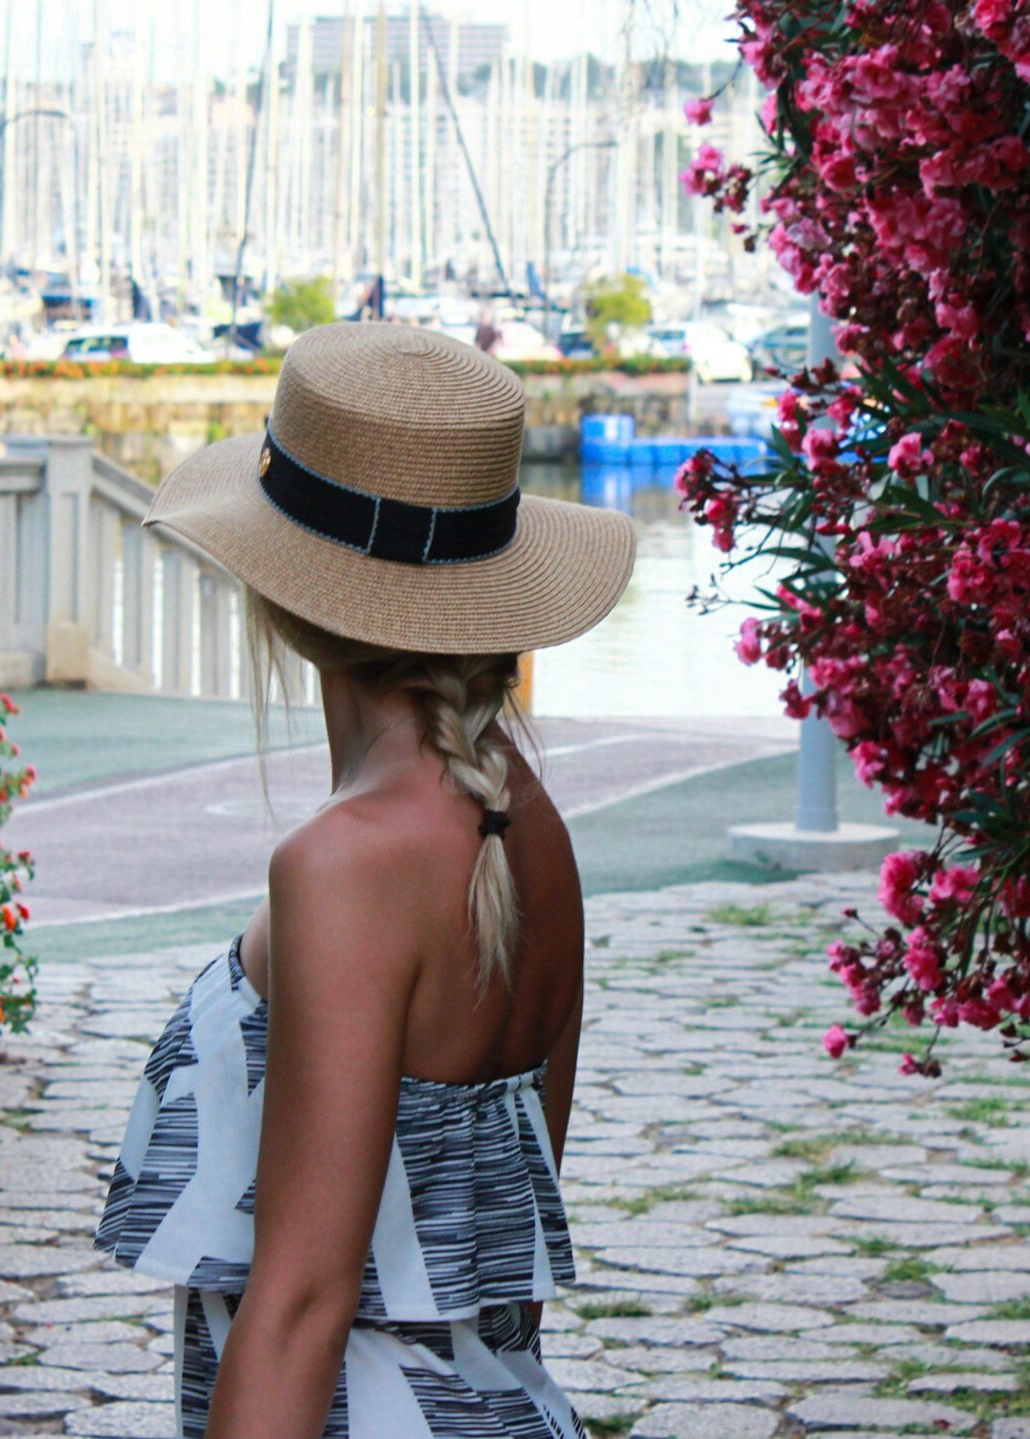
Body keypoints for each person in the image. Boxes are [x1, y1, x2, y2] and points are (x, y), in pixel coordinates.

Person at [94, 323, 635, 1437]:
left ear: (289, 592)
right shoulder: (525, 825)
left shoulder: (342, 865)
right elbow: (508, 1263)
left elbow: (297, 1305)